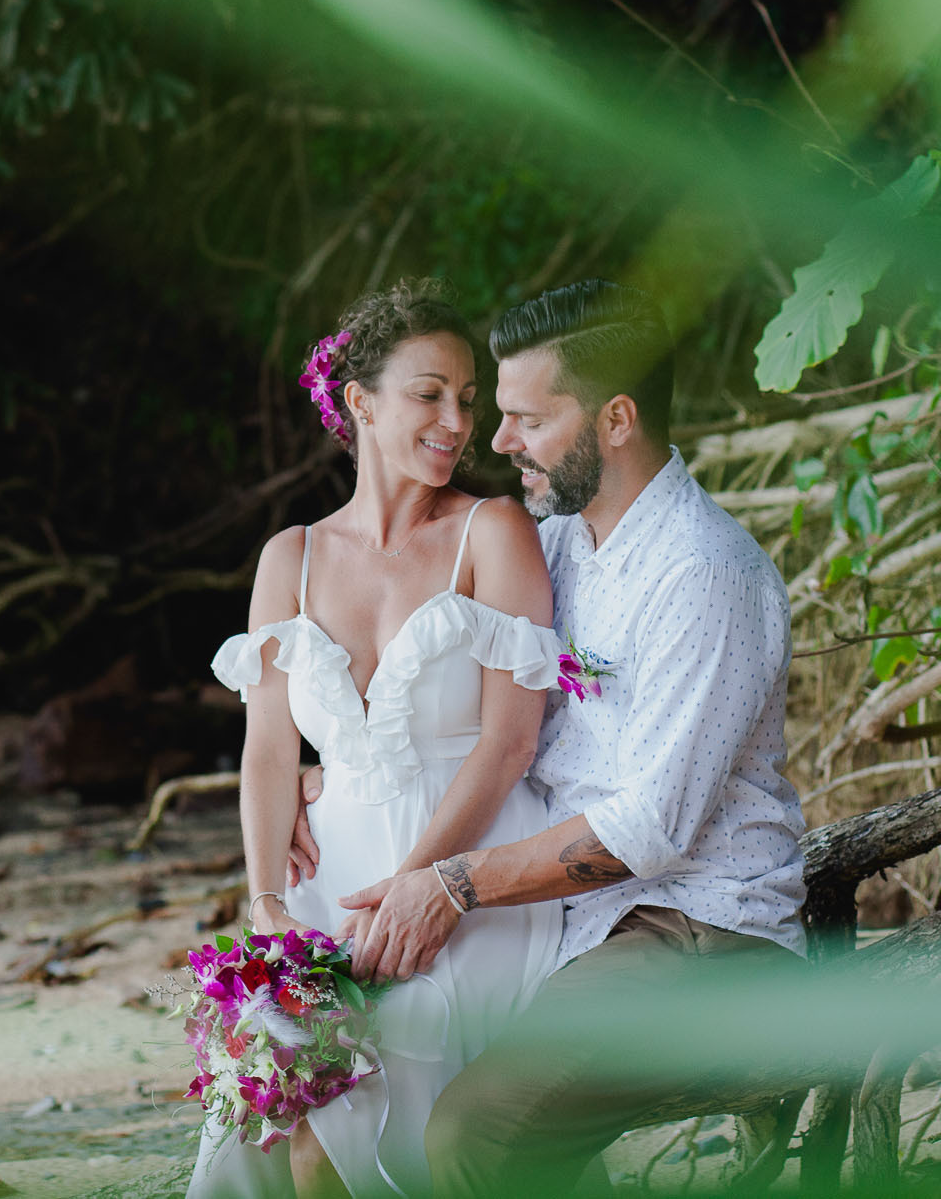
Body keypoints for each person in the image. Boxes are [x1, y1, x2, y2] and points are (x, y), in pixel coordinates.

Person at [327, 279, 809, 1195]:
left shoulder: (703, 570)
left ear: (616, 418)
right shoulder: (555, 546)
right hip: (570, 918)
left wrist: (454, 885)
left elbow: (649, 829)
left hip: (695, 928)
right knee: (362, 1046)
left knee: (474, 1133)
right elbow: (460, 706)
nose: (498, 441)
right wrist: (339, 771)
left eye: (529, 419)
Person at [187, 279, 565, 1199]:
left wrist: (413, 891)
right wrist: (267, 905)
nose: (458, 422)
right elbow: (270, 749)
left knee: (354, 1140)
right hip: (329, 887)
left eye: (467, 398)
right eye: (429, 394)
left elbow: (510, 744)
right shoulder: (291, 558)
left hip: (463, 871)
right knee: (290, 1130)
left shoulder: (493, 531)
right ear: (360, 401)